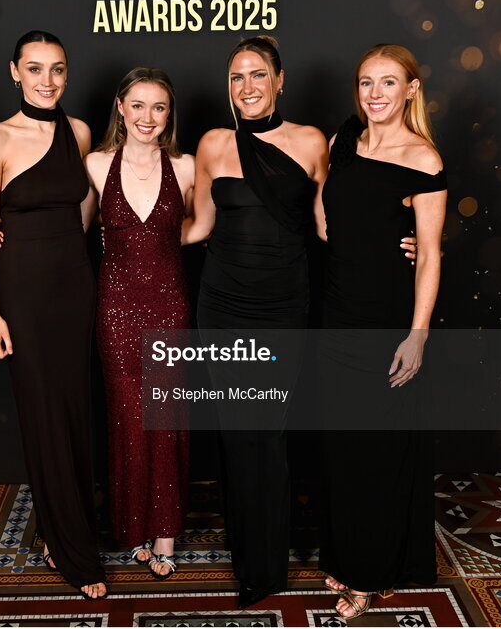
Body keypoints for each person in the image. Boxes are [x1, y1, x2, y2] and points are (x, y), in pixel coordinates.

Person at [183, 35, 328, 607]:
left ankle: (267, 565)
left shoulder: (311, 142)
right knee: (237, 434)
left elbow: (326, 224)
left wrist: (404, 243)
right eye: (237, 77)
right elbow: (196, 225)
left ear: (279, 80)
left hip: (282, 307)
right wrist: (125, 238)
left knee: (268, 433)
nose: (247, 87)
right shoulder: (213, 145)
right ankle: (249, 559)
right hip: (221, 306)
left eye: (258, 75)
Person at [0, 30, 107, 600]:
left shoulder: (78, 132)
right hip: (22, 296)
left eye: (56, 70)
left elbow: (85, 206)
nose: (46, 81)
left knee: (76, 413)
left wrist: (60, 250)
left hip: (75, 288)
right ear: (14, 72)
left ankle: (58, 528)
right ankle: (75, 553)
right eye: (34, 69)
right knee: (44, 416)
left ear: (67, 75)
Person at [318, 43, 447, 618]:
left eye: (388, 83)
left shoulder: (424, 159)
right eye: (366, 82)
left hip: (386, 317)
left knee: (377, 447)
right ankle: (348, 556)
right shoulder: (341, 141)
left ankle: (367, 576)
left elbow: (432, 255)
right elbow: (326, 222)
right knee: (342, 445)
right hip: (336, 311)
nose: (374, 94)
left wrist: (417, 333)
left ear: (411, 90)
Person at [84, 67, 195, 579]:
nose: (147, 117)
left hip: (169, 306)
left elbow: (207, 224)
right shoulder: (95, 163)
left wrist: (158, 246)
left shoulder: (188, 166)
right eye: (138, 105)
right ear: (121, 107)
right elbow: (73, 228)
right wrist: (1, 232)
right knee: (127, 416)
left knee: (167, 417)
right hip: (116, 308)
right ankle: (133, 527)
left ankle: (166, 532)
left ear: (169, 114)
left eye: (159, 107)